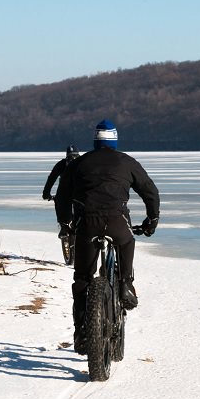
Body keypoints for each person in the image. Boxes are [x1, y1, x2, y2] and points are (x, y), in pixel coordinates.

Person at [55, 119, 159, 350]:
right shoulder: (127, 162)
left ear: (95, 140)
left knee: (82, 278)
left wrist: (66, 224)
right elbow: (150, 192)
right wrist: (151, 222)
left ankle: (82, 332)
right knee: (126, 242)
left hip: (87, 224)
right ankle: (125, 285)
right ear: (115, 140)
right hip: (117, 222)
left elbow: (62, 197)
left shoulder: (78, 164)